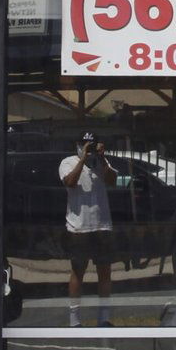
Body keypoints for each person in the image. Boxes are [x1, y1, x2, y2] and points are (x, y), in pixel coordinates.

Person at [61, 131, 120, 326]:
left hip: (101, 225)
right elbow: (70, 182)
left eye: (92, 145)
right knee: (78, 270)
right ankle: (74, 319)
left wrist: (101, 159)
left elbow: (112, 180)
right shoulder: (68, 162)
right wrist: (82, 159)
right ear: (78, 145)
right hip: (78, 227)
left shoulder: (102, 163)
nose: (89, 148)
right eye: (85, 144)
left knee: (104, 271)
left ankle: (103, 318)